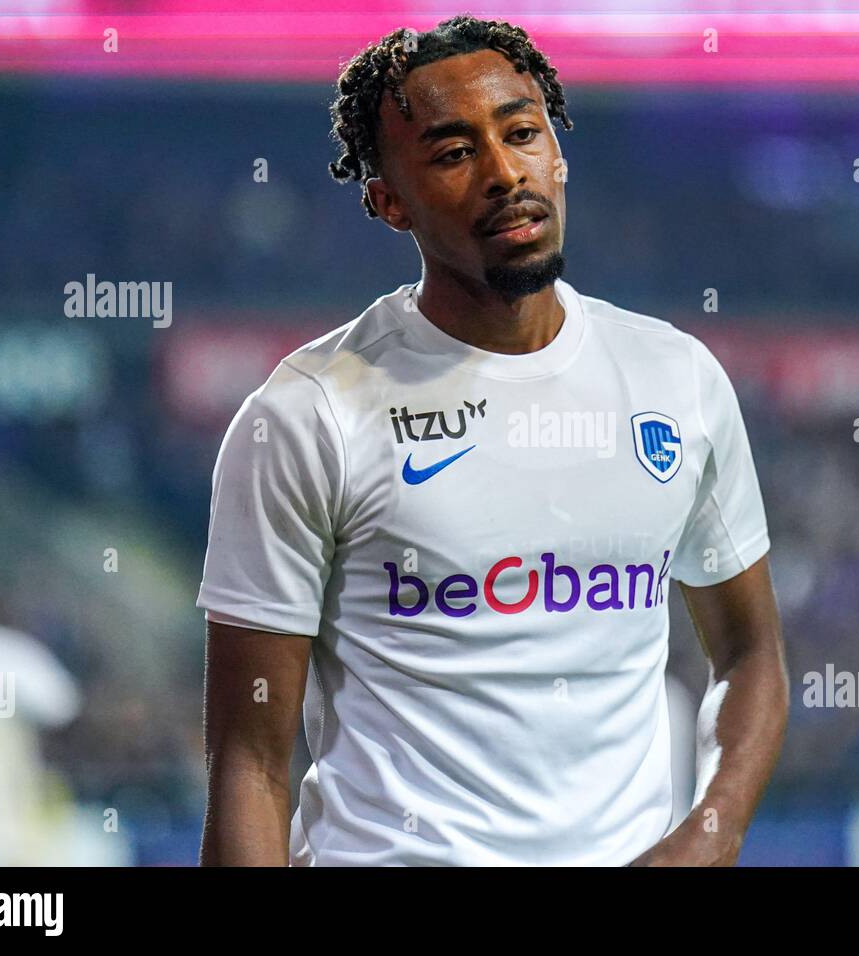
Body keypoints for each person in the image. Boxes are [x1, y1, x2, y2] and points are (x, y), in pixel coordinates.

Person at [197, 14, 788, 866]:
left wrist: (712, 827)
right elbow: (249, 761)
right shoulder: (305, 415)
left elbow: (751, 653)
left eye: (522, 133)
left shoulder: (676, 377)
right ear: (386, 200)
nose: (504, 172)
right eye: (452, 153)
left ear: (559, 152)